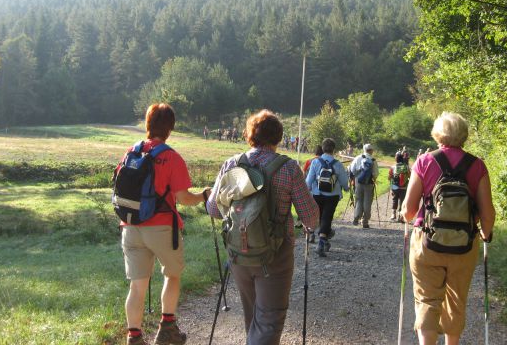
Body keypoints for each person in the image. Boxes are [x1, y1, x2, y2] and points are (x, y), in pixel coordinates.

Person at [206, 109, 319, 345]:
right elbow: (310, 218)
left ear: (250, 135)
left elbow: (214, 210)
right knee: (268, 320)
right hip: (275, 255)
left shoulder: (231, 164)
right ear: (278, 137)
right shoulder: (288, 168)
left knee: (253, 316)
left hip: (238, 252)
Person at [119, 103, 211, 345]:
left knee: (137, 287)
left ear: (147, 124)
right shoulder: (170, 157)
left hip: (129, 226)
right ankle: (167, 327)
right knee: (172, 275)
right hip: (161, 227)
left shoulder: (131, 152)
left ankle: (134, 337)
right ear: (170, 128)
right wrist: (204, 195)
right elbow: (184, 199)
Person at [401, 112, 496, 345]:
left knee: (427, 299)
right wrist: (486, 233)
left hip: (427, 243)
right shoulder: (477, 166)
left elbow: (409, 211)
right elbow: (488, 213)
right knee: (456, 299)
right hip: (464, 245)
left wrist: (408, 218)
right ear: (464, 135)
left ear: (437, 134)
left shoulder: (424, 162)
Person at [305, 138, 349, 256]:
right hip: (332, 195)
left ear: (323, 148)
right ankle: (322, 241)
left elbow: (309, 181)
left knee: (319, 216)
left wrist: (307, 190)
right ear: (333, 149)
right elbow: (344, 182)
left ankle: (317, 235)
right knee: (327, 217)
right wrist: (346, 188)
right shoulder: (338, 164)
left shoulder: (315, 162)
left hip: (317, 194)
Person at [348, 143, 379, 228]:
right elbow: (376, 173)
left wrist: (356, 177)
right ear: (371, 151)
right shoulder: (373, 160)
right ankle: (365, 221)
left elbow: (352, 169)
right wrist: (373, 178)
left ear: (364, 150)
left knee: (358, 200)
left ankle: (356, 217)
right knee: (367, 201)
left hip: (358, 181)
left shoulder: (358, 158)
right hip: (369, 183)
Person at [388, 152, 409, 222]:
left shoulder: (393, 167)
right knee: (402, 201)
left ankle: (393, 214)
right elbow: (410, 176)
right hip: (403, 186)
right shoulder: (406, 166)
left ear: (396, 159)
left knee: (394, 199)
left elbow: (389, 177)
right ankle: (400, 215)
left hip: (394, 186)